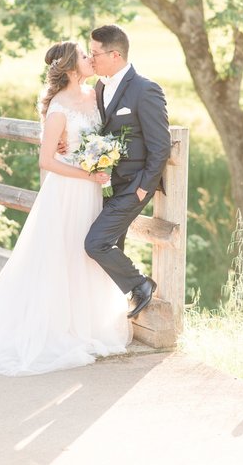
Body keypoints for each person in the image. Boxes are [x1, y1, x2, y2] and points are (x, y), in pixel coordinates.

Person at [0, 41, 132, 376]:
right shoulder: (59, 108)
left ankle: (84, 325)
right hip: (67, 191)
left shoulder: (96, 94)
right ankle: (59, 328)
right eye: (85, 56)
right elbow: (47, 160)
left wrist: (101, 164)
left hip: (88, 191)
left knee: (84, 254)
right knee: (63, 254)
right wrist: (89, 174)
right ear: (72, 68)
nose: (91, 59)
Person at [84, 24, 171, 318]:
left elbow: (161, 146)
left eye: (95, 53)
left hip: (135, 185)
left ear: (115, 54)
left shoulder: (146, 89)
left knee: (95, 243)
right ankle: (109, 320)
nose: (90, 58)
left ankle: (141, 284)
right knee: (110, 246)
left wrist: (144, 186)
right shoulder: (99, 87)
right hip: (107, 184)